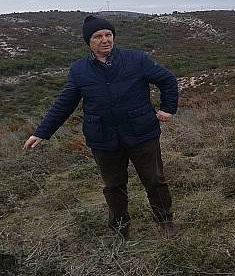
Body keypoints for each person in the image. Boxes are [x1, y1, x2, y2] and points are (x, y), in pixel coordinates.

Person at [23, 15, 180, 240]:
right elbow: (64, 103)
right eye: (98, 36)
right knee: (113, 186)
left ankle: (165, 221)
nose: (105, 40)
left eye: (108, 35)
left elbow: (167, 79)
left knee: (154, 180)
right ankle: (119, 229)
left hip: (142, 133)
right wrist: (42, 132)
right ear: (89, 42)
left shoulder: (137, 59)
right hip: (104, 139)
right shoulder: (79, 70)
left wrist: (168, 108)